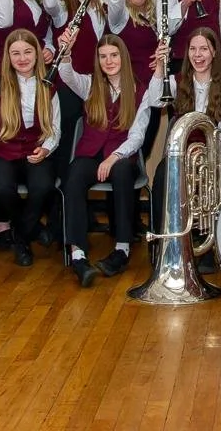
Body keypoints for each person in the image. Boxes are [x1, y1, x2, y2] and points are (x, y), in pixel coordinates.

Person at [56, 32, 150, 286]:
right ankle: (78, 254)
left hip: (121, 154)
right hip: (91, 152)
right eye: (103, 56)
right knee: (73, 176)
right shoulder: (90, 84)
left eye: (114, 55)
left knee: (121, 174)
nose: (108, 61)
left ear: (123, 57)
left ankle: (122, 248)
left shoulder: (140, 90)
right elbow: (66, 75)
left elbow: (138, 135)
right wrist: (66, 52)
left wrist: (115, 157)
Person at [0, 28, 60, 268]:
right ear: (8, 57)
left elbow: (55, 128)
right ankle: (29, 231)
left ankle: (20, 237)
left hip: (35, 150)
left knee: (43, 186)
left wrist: (46, 149)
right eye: (16, 53)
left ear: (37, 54)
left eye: (28, 52)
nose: (22, 58)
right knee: (0, 188)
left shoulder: (48, 84)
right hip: (3, 151)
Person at [146, 27, 221, 257]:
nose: (198, 55)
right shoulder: (178, 82)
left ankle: (201, 245)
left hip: (215, 156)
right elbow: (156, 100)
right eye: (193, 49)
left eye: (204, 49)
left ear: (214, 52)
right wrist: (159, 66)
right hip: (182, 154)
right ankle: (163, 242)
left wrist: (200, 156)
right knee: (162, 174)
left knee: (201, 173)